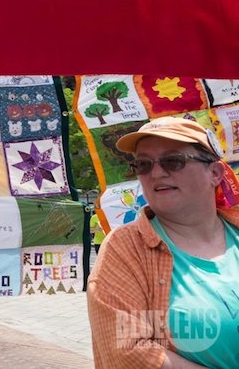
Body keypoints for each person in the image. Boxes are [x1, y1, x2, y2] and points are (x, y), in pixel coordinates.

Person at [87, 117, 239, 368]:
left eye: (173, 161)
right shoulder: (125, 248)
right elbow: (128, 353)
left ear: (215, 173)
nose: (156, 172)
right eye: (144, 165)